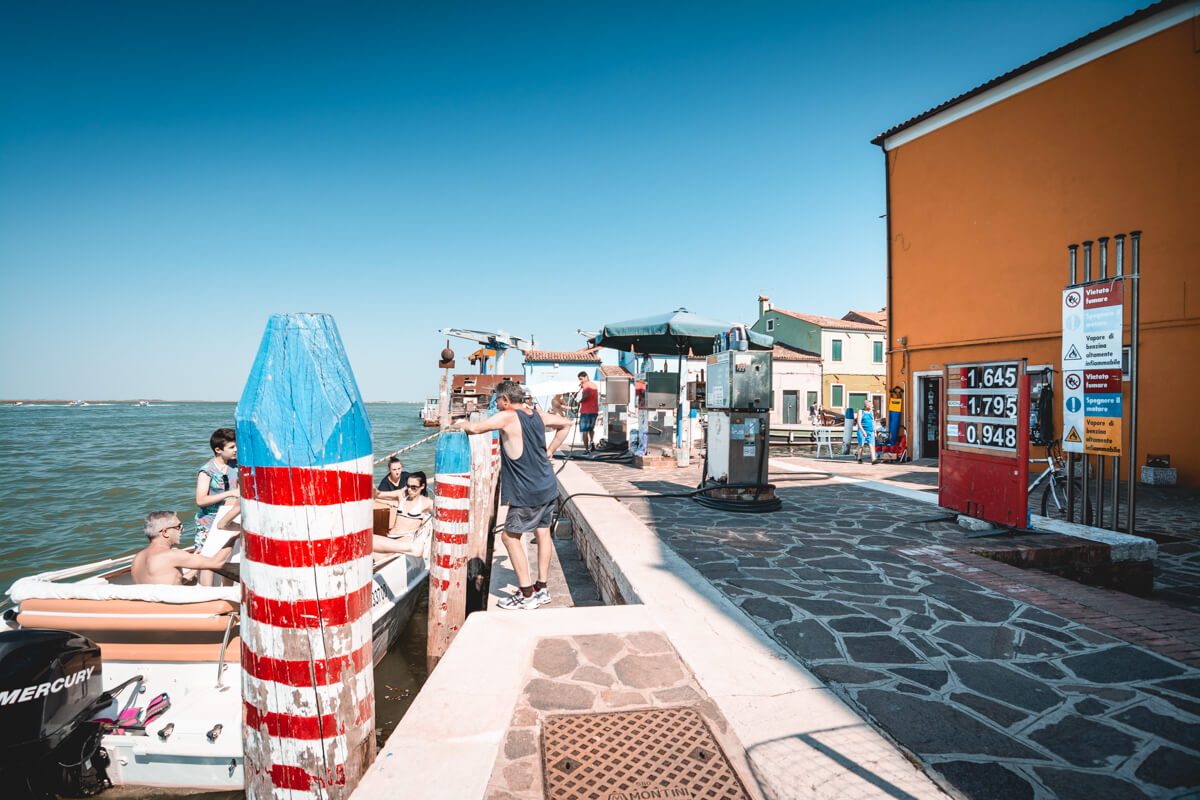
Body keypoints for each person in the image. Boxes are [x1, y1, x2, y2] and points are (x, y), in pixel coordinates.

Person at [450, 380, 571, 610]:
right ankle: (541, 588)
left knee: (509, 537)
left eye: (497, 400)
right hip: (547, 485)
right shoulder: (537, 414)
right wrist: (550, 451)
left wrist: (459, 424)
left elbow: (476, 428)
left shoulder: (507, 416)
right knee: (543, 532)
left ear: (506, 400)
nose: (495, 404)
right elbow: (566, 424)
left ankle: (526, 595)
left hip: (528, 491)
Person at [132, 511, 233, 586]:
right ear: (165, 532)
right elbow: (217, 563)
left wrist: (193, 570)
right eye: (178, 527)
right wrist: (234, 537)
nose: (182, 530)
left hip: (149, 611)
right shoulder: (172, 555)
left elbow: (163, 587)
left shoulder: (138, 558)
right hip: (172, 612)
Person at [195, 428, 240, 550]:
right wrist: (230, 493)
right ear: (218, 450)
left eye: (236, 446)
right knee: (204, 553)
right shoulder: (207, 471)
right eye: (231, 447)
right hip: (209, 520)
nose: (236, 450)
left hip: (230, 515)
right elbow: (200, 501)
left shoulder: (236, 465)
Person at [372, 472, 434, 556]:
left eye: (413, 487)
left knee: (373, 548)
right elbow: (378, 494)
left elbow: (444, 515)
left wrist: (426, 530)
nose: (409, 490)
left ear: (422, 486)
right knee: (366, 541)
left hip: (405, 540)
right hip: (391, 537)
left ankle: (414, 549)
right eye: (408, 486)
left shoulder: (427, 503)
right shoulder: (401, 495)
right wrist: (370, 484)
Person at [373, 457, 411, 531]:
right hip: (394, 505)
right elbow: (377, 498)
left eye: (399, 468)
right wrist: (389, 502)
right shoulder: (385, 482)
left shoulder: (406, 476)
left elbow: (420, 480)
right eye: (394, 469)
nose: (397, 472)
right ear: (389, 470)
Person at [577, 371, 599, 452]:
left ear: (586, 376)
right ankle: (592, 443)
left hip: (586, 411)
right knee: (591, 429)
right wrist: (582, 385)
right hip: (594, 411)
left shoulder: (586, 385)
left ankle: (586, 450)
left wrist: (579, 401)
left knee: (584, 431)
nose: (581, 381)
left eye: (581, 379)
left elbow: (586, 395)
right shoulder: (594, 385)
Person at [856, 398, 879, 464]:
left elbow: (873, 422)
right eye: (871, 405)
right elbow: (859, 422)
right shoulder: (861, 411)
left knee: (872, 445)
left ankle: (873, 460)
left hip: (870, 431)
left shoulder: (872, 412)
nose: (872, 406)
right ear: (867, 406)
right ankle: (859, 458)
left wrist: (875, 432)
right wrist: (863, 431)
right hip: (862, 430)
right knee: (861, 445)